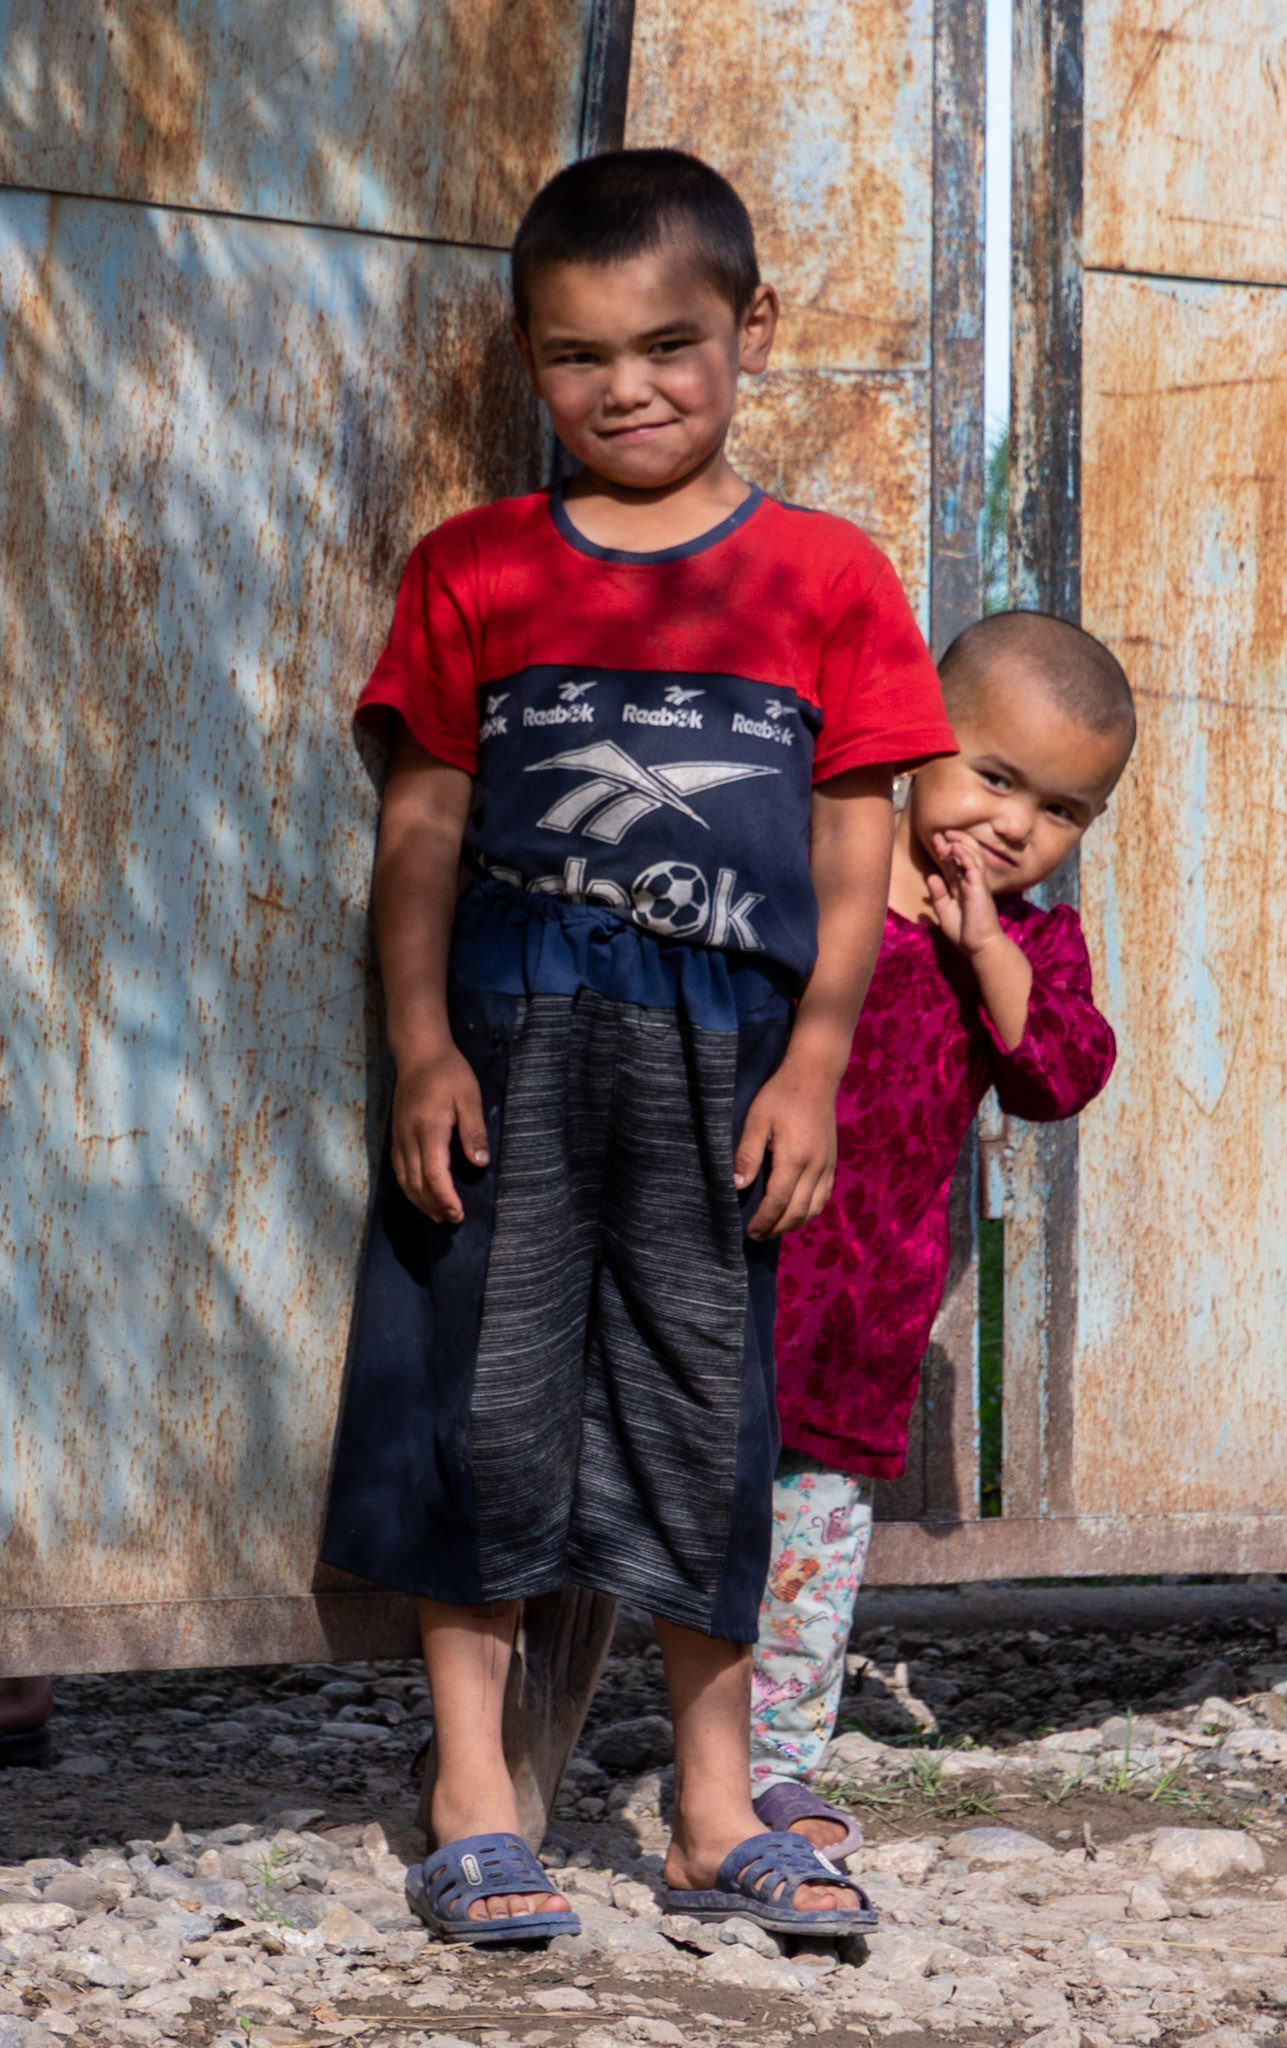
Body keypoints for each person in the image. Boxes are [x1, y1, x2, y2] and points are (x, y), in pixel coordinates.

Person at [320, 147, 956, 1942]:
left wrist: (818, 1054)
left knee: (707, 1403)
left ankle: (709, 1801)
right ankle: (471, 1793)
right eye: (579, 356)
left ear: (752, 329)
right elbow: (424, 825)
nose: (629, 389)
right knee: (486, 1405)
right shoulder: (477, 569)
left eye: (670, 345)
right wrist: (425, 1043)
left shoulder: (828, 575)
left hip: (723, 1055)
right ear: (533, 362)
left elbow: (854, 840)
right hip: (516, 1040)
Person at [746, 609, 1136, 1855]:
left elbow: (1062, 1072)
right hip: (732, 1253)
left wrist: (983, 948)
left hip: (859, 1303)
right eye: (997, 775)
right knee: (642, 1496)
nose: (1020, 825)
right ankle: (534, 1734)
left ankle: (778, 1765)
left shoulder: (1030, 943)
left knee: (810, 1547)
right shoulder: (823, 861)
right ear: (918, 741)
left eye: (1065, 809)